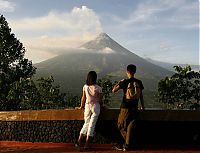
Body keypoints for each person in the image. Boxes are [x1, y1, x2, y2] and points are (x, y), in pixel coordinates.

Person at [112, 64, 144, 151]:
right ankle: (128, 144)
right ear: (135, 72)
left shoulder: (125, 82)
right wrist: (143, 106)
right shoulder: (139, 82)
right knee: (130, 126)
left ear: (127, 72)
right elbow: (141, 95)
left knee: (120, 125)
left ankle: (127, 144)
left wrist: (119, 82)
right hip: (135, 107)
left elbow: (114, 90)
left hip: (125, 108)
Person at [75, 71, 102, 150]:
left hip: (87, 106)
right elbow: (100, 100)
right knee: (92, 125)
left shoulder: (85, 87)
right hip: (95, 106)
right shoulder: (98, 88)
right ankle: (87, 144)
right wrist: (103, 106)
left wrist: (81, 106)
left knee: (86, 123)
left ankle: (79, 141)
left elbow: (83, 98)